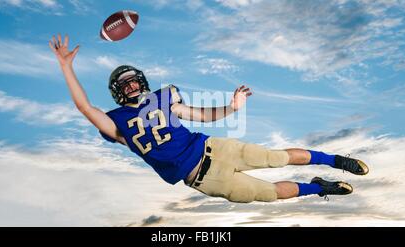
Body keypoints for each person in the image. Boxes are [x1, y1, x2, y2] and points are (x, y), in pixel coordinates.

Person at [49, 34, 369, 203]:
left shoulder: (165, 98)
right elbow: (85, 108)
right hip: (203, 179)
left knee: (277, 157)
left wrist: (231, 108)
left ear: (142, 81)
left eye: (134, 80)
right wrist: (66, 66)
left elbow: (200, 115)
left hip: (215, 149)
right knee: (269, 194)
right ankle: (318, 188)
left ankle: (336, 159)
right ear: (118, 93)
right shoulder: (117, 122)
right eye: (126, 84)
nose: (132, 85)